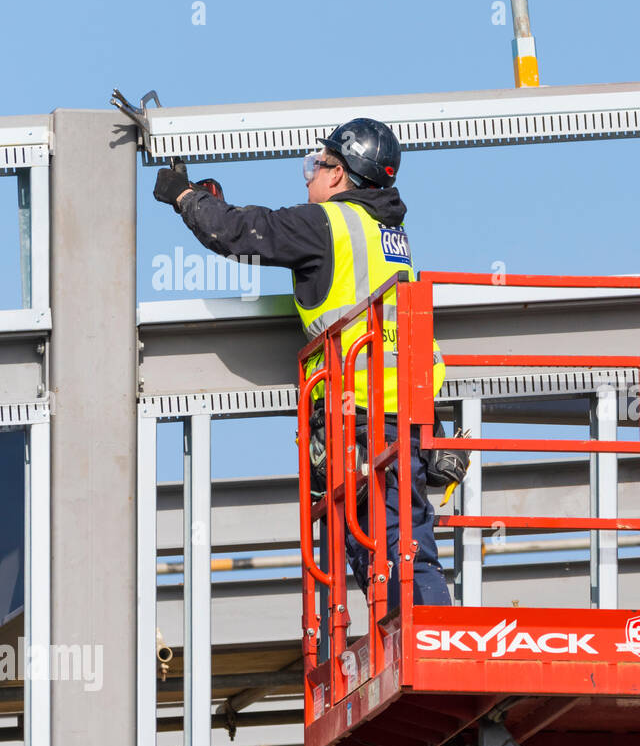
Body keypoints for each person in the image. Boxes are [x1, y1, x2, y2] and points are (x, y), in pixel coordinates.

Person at [153, 118, 459, 619]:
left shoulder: (328, 225)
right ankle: (419, 635)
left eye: (315, 165)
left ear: (338, 174)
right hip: (409, 412)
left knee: (389, 542)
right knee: (394, 540)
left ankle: (426, 642)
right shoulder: (390, 233)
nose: (309, 176)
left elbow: (239, 233)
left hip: (363, 415)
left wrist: (186, 198)